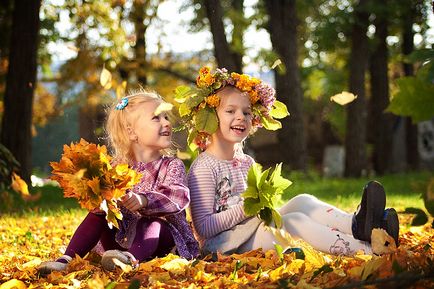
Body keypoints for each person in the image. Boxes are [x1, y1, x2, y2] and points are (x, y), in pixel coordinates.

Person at [183, 67, 399, 257]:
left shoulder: (246, 161)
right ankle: (368, 251)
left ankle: (357, 225)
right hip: (226, 247)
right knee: (294, 221)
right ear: (210, 116)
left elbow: (255, 209)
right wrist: (247, 209)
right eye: (230, 111)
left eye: (247, 112)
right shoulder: (204, 167)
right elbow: (203, 228)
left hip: (252, 229)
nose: (241, 117)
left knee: (303, 201)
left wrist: (262, 204)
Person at [38, 90, 199, 275]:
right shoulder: (116, 167)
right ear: (131, 132)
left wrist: (144, 200)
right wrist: (102, 198)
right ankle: (66, 260)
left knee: (152, 223)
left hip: (161, 241)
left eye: (166, 116)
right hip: (120, 240)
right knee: (98, 215)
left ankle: (129, 260)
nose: (166, 122)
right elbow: (102, 205)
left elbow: (178, 196)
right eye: (156, 118)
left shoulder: (171, 165)